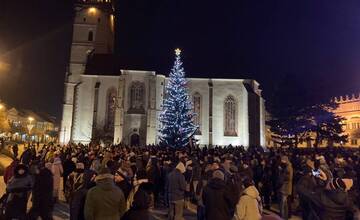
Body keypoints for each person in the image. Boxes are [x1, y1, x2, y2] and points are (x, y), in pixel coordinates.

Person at [278, 155, 293, 220]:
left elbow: (289, 177)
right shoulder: (286, 167)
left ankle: (282, 216)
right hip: (284, 187)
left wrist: (281, 172)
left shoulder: (288, 167)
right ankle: (284, 215)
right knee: (284, 202)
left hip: (285, 188)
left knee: (283, 203)